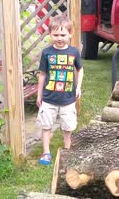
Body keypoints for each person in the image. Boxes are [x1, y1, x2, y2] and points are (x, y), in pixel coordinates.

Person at [36, 15, 84, 165]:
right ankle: (46, 153)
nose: (59, 38)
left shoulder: (74, 52)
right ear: (50, 34)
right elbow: (42, 74)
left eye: (63, 35)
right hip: (49, 98)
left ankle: (67, 151)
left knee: (67, 126)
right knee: (46, 126)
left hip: (68, 99)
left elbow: (80, 70)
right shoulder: (46, 53)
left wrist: (78, 87)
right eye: (55, 35)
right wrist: (39, 95)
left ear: (70, 34)